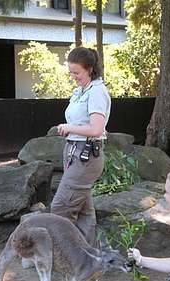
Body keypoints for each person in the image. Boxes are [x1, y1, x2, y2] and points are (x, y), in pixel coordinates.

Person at [50, 47, 111, 247]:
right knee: (85, 212)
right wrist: (70, 130)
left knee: (60, 208)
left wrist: (70, 127)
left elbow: (96, 128)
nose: (73, 76)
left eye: (77, 72)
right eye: (71, 72)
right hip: (74, 152)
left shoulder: (97, 92)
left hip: (86, 156)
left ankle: (65, 255)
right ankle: (90, 258)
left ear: (90, 69)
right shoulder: (81, 91)